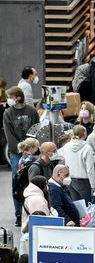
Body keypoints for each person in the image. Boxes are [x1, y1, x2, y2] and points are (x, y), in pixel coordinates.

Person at [4, 86, 39, 220]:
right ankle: (19, 214)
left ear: (18, 97)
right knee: (17, 183)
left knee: (32, 181)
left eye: (11, 97)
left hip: (32, 151)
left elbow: (37, 128)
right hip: (16, 153)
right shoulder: (8, 113)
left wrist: (33, 147)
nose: (9, 100)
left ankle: (31, 211)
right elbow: (9, 134)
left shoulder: (31, 111)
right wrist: (21, 148)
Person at [60, 125, 95, 202]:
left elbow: (56, 155)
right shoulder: (87, 148)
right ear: (85, 134)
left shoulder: (67, 146)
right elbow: (90, 169)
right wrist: (93, 185)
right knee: (88, 207)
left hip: (70, 180)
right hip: (84, 181)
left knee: (78, 207)